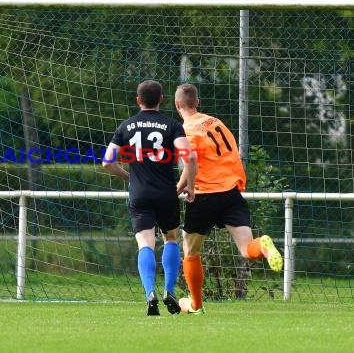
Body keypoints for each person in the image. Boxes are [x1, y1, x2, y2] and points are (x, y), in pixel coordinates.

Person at [174, 83, 283, 315]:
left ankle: (196, 305)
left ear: (177, 105)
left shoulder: (187, 130)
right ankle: (262, 244)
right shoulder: (215, 122)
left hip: (205, 195)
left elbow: (190, 162)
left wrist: (179, 188)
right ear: (198, 102)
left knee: (191, 252)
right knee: (246, 249)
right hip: (231, 193)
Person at [103, 80, 197, 316]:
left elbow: (107, 162)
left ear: (138, 100)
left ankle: (149, 294)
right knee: (172, 239)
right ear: (162, 99)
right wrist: (189, 187)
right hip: (166, 193)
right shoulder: (172, 125)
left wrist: (129, 177)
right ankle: (168, 290)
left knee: (145, 243)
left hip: (139, 194)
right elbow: (190, 158)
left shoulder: (125, 126)